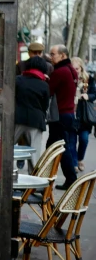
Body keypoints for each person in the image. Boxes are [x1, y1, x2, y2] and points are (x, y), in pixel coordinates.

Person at [48, 45, 79, 190]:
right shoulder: (71, 71)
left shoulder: (59, 72)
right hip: (68, 114)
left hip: (60, 115)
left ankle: (70, 180)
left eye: (53, 54)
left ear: (63, 55)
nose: (50, 56)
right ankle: (64, 179)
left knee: (60, 148)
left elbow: (48, 91)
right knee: (55, 147)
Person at [14, 56, 50, 168]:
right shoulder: (44, 85)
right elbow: (45, 105)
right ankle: (33, 180)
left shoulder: (18, 80)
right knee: (34, 153)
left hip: (18, 118)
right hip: (36, 120)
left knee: (6, 148)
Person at [73, 57, 96, 172]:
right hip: (72, 114)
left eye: (77, 68)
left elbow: (94, 94)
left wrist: (88, 96)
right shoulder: (70, 78)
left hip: (84, 116)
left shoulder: (88, 79)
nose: (75, 70)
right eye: (73, 68)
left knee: (84, 139)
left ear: (81, 68)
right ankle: (74, 163)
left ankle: (80, 158)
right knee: (71, 141)